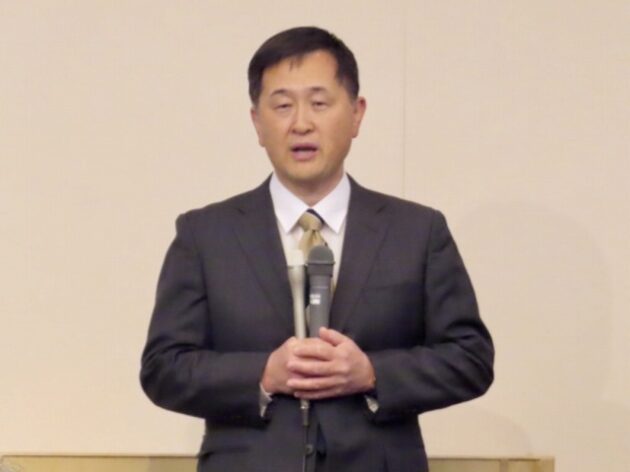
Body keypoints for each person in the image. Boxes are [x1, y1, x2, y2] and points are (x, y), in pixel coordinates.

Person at [140, 26, 494, 472]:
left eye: (319, 103)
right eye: (282, 105)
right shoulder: (205, 235)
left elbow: (470, 358)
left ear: (357, 114)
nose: (301, 123)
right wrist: (264, 374)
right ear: (257, 123)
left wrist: (371, 373)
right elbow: (163, 368)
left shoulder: (417, 231)